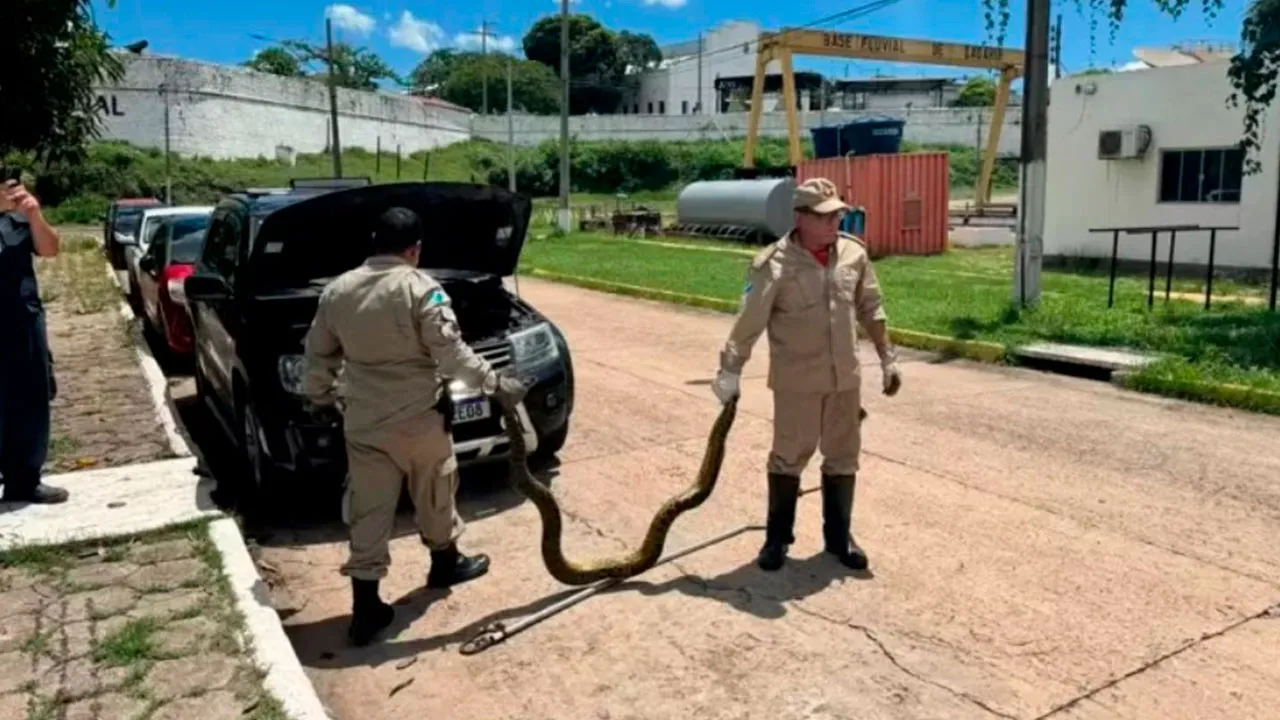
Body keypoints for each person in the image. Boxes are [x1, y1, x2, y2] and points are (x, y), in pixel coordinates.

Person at [302, 206, 527, 646]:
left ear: (374, 243)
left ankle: (365, 608)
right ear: (415, 249)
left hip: (364, 423)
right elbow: (452, 355)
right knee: (436, 491)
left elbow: (317, 355)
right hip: (419, 420)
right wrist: (496, 383)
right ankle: (444, 563)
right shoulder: (422, 289)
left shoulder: (337, 291)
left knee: (369, 510)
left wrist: (320, 397)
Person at [712, 177, 902, 572]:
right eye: (825, 216)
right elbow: (749, 321)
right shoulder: (773, 264)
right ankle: (777, 540)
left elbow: (871, 307)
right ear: (800, 218)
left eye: (838, 214)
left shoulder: (853, 255)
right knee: (787, 459)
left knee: (843, 457)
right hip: (797, 383)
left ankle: (838, 539)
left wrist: (887, 357)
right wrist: (730, 370)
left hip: (844, 381)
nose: (835, 223)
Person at [0, 172, 68, 505]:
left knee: (30, 399)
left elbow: (50, 249)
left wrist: (34, 214)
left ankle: (24, 480)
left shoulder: (16, 220)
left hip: (23, 319)